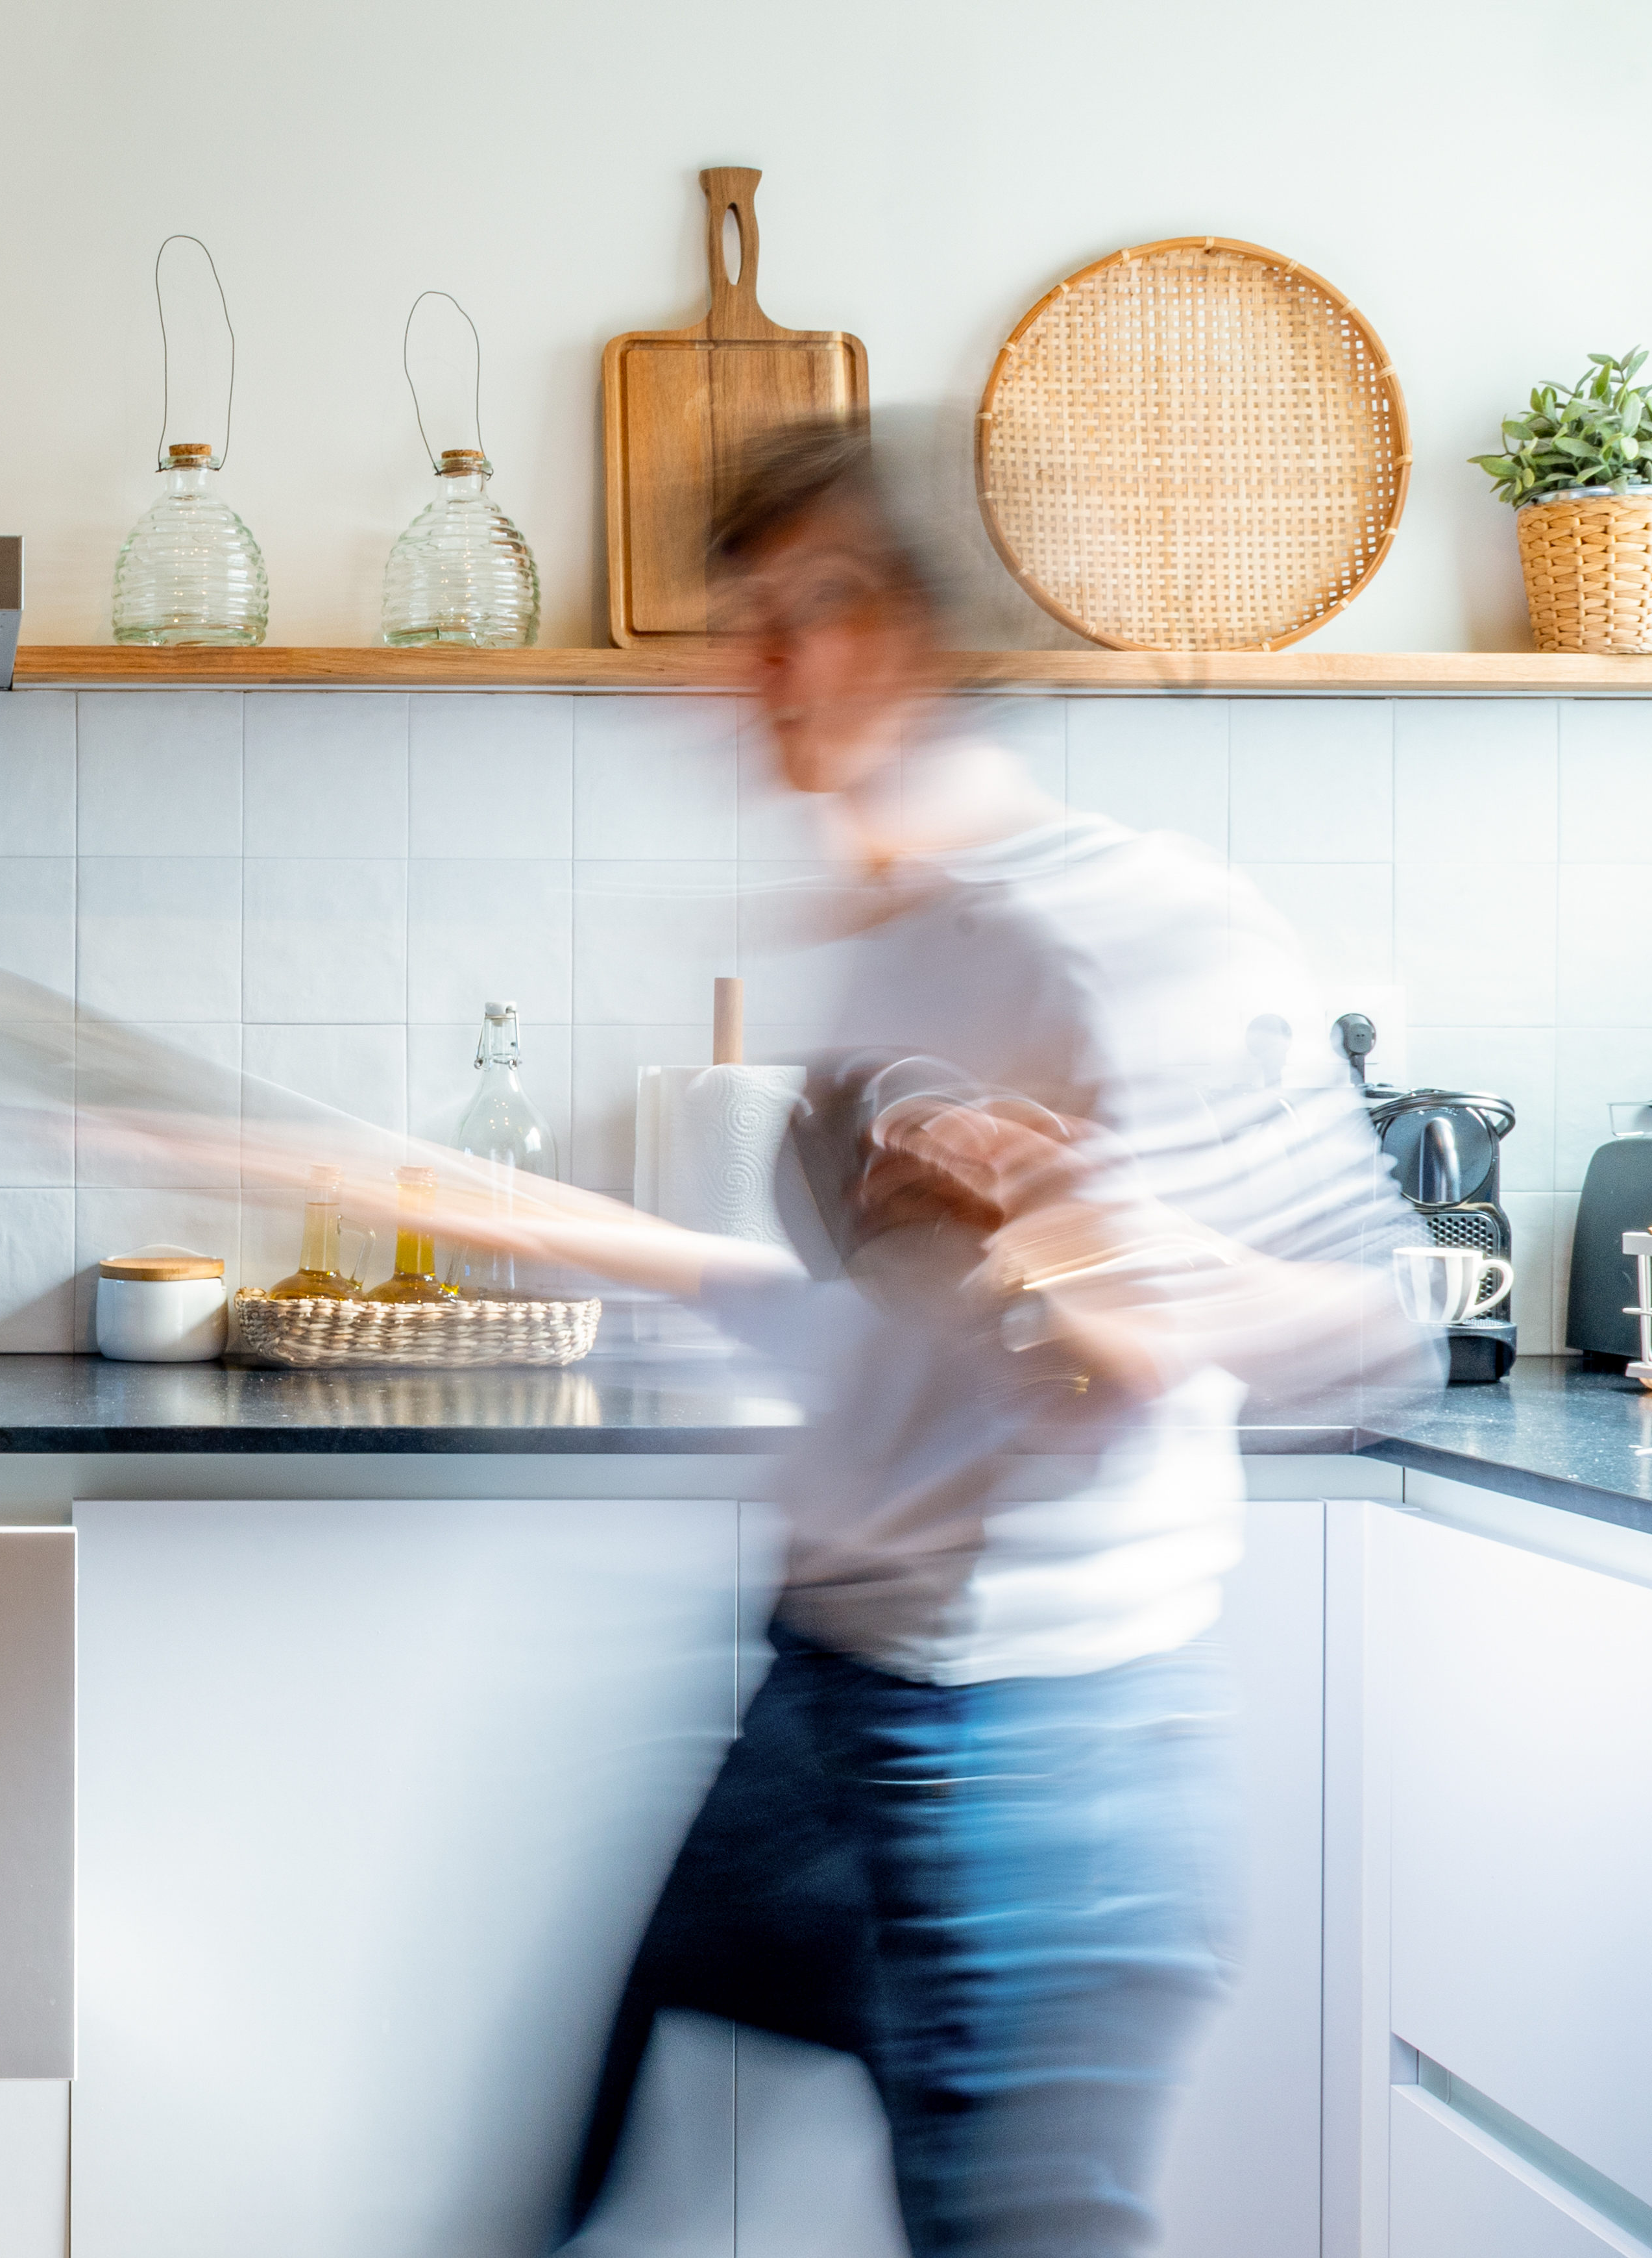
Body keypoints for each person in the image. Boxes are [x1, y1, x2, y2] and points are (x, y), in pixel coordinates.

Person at [300, 422, 1434, 2256]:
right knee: (566, 2180)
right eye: (749, 619)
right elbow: (863, 1343)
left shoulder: (1121, 930)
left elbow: (1373, 1326)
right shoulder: (894, 940)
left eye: (817, 609)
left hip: (1032, 1748)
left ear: (920, 628)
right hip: (829, 1687)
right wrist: (470, 1201)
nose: (769, 667)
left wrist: (1118, 1262)